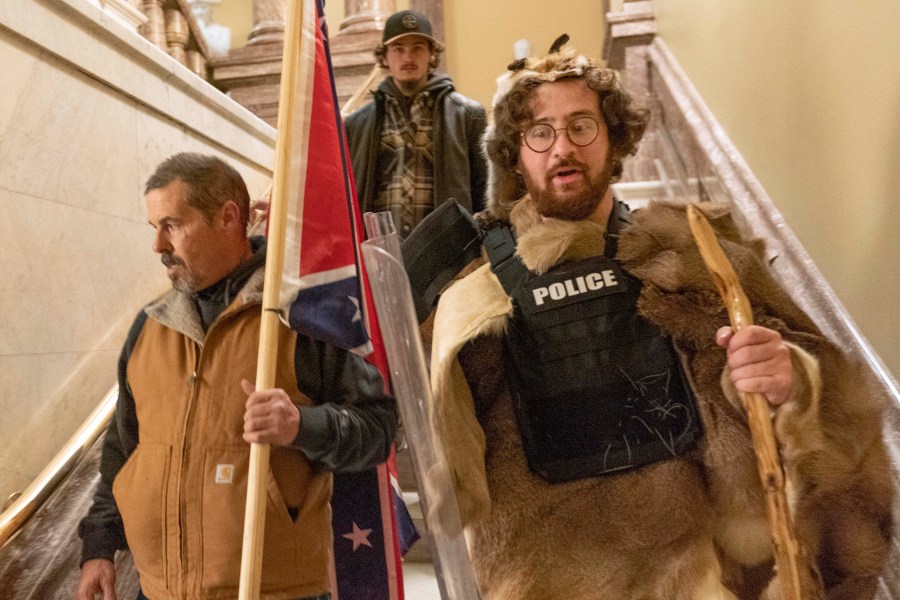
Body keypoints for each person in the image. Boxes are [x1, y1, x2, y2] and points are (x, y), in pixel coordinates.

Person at [423, 36, 891, 599]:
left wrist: (791, 379)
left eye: (581, 126)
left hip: (697, 577)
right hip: (549, 577)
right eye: (539, 132)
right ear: (516, 156)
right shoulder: (475, 296)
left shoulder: (699, 259)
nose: (561, 148)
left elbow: (830, 392)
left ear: (613, 137)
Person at [75, 153, 397, 600]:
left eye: (173, 225)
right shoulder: (149, 328)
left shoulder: (304, 317)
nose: (158, 246)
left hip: (275, 591)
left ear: (228, 217)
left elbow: (379, 430)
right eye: (155, 228)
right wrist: (99, 545)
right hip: (159, 590)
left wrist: (302, 426)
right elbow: (123, 448)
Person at [344, 9, 487, 238]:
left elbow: (485, 193)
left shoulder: (468, 115)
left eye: (417, 48)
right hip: (378, 254)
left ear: (431, 54)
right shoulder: (356, 125)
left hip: (448, 256)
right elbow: (339, 197)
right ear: (385, 57)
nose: (408, 57)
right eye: (398, 49)